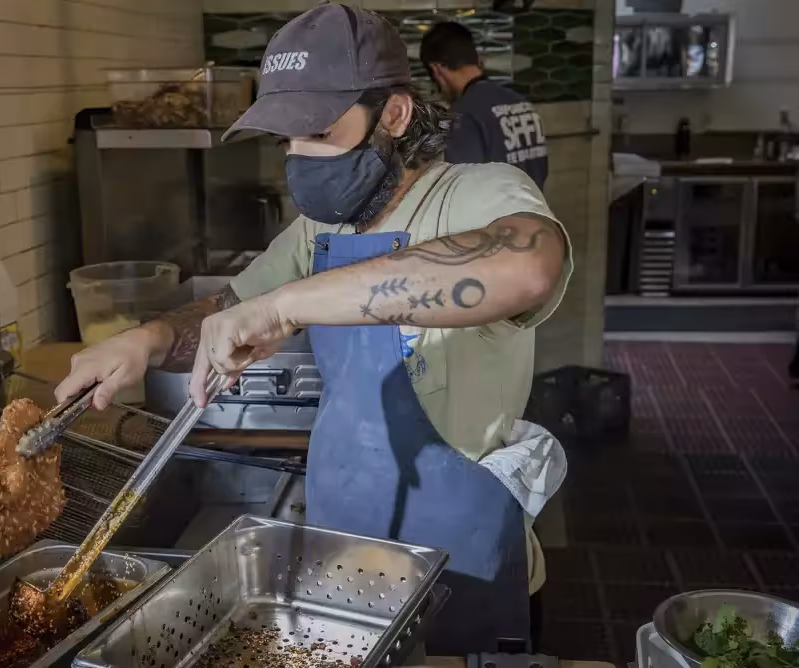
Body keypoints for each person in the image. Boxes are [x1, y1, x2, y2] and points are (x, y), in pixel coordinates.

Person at [57, 4, 571, 656]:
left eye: (318, 133)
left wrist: (284, 307)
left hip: (461, 558)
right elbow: (231, 302)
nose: (298, 158)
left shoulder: (476, 193)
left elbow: (528, 267)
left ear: (393, 114)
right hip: (343, 554)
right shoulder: (320, 230)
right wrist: (149, 339)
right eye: (286, 139)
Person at [420, 21, 549, 189]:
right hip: (537, 211)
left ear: (437, 69)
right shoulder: (521, 103)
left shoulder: (462, 115)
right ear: (477, 60)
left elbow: (465, 189)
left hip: (496, 214)